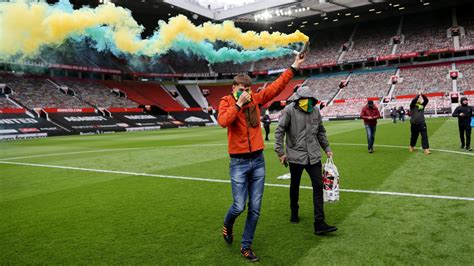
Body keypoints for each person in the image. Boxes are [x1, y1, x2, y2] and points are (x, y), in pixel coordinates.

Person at [218, 52, 306, 262]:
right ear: (234, 89)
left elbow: (276, 87)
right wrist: (238, 105)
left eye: (248, 90)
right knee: (239, 206)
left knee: (255, 210)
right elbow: (223, 121)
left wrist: (294, 66)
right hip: (238, 162)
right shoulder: (226, 102)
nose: (246, 94)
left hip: (257, 160)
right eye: (242, 91)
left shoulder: (256, 100)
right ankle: (227, 225)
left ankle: (246, 246)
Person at [274, 86, 337, 236]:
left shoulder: (315, 111)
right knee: (294, 185)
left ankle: (319, 223)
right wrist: (280, 152)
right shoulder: (289, 110)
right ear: (297, 99)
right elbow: (279, 130)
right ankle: (294, 212)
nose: (305, 102)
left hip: (314, 155)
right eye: (303, 100)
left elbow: (320, 131)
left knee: (318, 185)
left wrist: (327, 148)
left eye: (308, 100)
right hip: (296, 155)